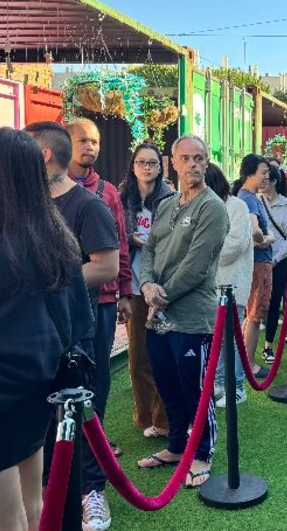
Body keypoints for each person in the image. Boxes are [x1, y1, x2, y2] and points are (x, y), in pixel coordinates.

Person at [0, 127, 92, 531]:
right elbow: (79, 322)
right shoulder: (58, 244)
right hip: (35, 399)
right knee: (32, 510)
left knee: (3, 524)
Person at [24, 121, 119, 531]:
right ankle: (51, 495)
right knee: (45, 421)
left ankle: (92, 492)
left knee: (83, 414)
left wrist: (51, 278)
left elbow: (107, 266)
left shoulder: (87, 206)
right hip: (35, 332)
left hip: (78, 331)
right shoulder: (29, 204)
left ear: (43, 155)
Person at [137, 135, 228, 490]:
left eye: (199, 158)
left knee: (196, 391)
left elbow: (197, 266)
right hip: (157, 317)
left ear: (207, 162)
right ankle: (177, 446)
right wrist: (146, 286)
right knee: (168, 387)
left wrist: (161, 296)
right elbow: (149, 251)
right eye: (186, 158)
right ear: (172, 162)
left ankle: (202, 452)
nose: (193, 164)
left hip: (192, 318)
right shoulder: (166, 204)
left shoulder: (213, 208)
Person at [66, 119, 132, 457]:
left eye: (94, 141)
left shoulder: (107, 191)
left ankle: (98, 440)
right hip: (61, 299)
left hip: (104, 299)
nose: (90, 147)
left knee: (100, 370)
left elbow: (120, 243)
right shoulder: (51, 187)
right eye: (82, 140)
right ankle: (67, 442)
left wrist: (124, 292)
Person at [119, 143, 173, 438]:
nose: (147, 167)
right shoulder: (121, 196)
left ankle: (165, 418)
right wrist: (131, 238)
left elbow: (175, 239)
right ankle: (144, 415)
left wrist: (150, 242)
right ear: (133, 165)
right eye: (141, 162)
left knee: (162, 353)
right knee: (138, 355)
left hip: (162, 284)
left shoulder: (170, 198)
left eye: (152, 163)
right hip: (133, 284)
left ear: (160, 167)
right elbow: (114, 235)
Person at [205, 163, 251, 408]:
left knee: (231, 339)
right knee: (216, 338)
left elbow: (235, 245)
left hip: (231, 283)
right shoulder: (202, 206)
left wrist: (203, 250)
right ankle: (221, 382)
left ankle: (238, 387)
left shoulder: (237, 206)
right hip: (207, 285)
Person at [235, 154, 275, 377]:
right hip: (258, 263)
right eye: (263, 172)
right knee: (254, 314)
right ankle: (249, 364)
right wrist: (267, 239)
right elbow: (253, 232)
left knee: (251, 314)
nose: (267, 177)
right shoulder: (248, 198)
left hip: (255, 263)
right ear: (250, 173)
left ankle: (245, 362)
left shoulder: (247, 196)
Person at [260, 164, 287, 364]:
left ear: (274, 181)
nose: (262, 182)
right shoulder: (255, 202)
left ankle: (267, 345)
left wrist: (275, 259)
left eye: (266, 178)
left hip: (280, 261)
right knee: (256, 301)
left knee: (274, 302)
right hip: (259, 259)